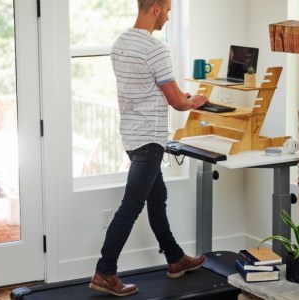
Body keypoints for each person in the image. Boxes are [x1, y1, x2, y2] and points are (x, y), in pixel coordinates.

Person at [89, 0, 209, 297]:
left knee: (158, 199)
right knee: (131, 207)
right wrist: (194, 101)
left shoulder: (120, 44)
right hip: (150, 140)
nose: (167, 17)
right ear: (155, 8)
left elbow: (144, 88)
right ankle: (105, 271)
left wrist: (179, 95)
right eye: (167, 11)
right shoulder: (156, 49)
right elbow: (177, 102)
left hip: (131, 136)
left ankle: (175, 259)